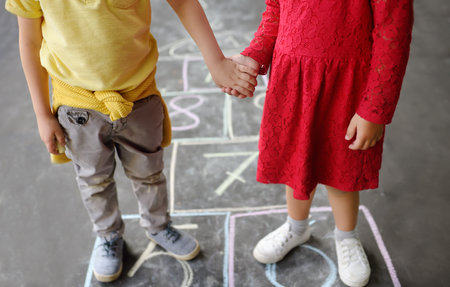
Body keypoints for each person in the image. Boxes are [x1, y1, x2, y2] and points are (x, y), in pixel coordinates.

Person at [6, 0, 257, 283]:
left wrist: (217, 62)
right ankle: (108, 235)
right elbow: (29, 40)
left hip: (138, 96)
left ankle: (158, 225)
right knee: (93, 180)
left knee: (149, 172)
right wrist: (42, 114)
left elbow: (183, 2)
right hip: (77, 106)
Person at [223, 0, 413, 286]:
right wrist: (255, 54)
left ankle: (346, 236)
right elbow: (277, 10)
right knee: (295, 161)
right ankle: (296, 227)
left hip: (347, 85)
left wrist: (374, 108)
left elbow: (393, 31)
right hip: (293, 80)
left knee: (342, 167)